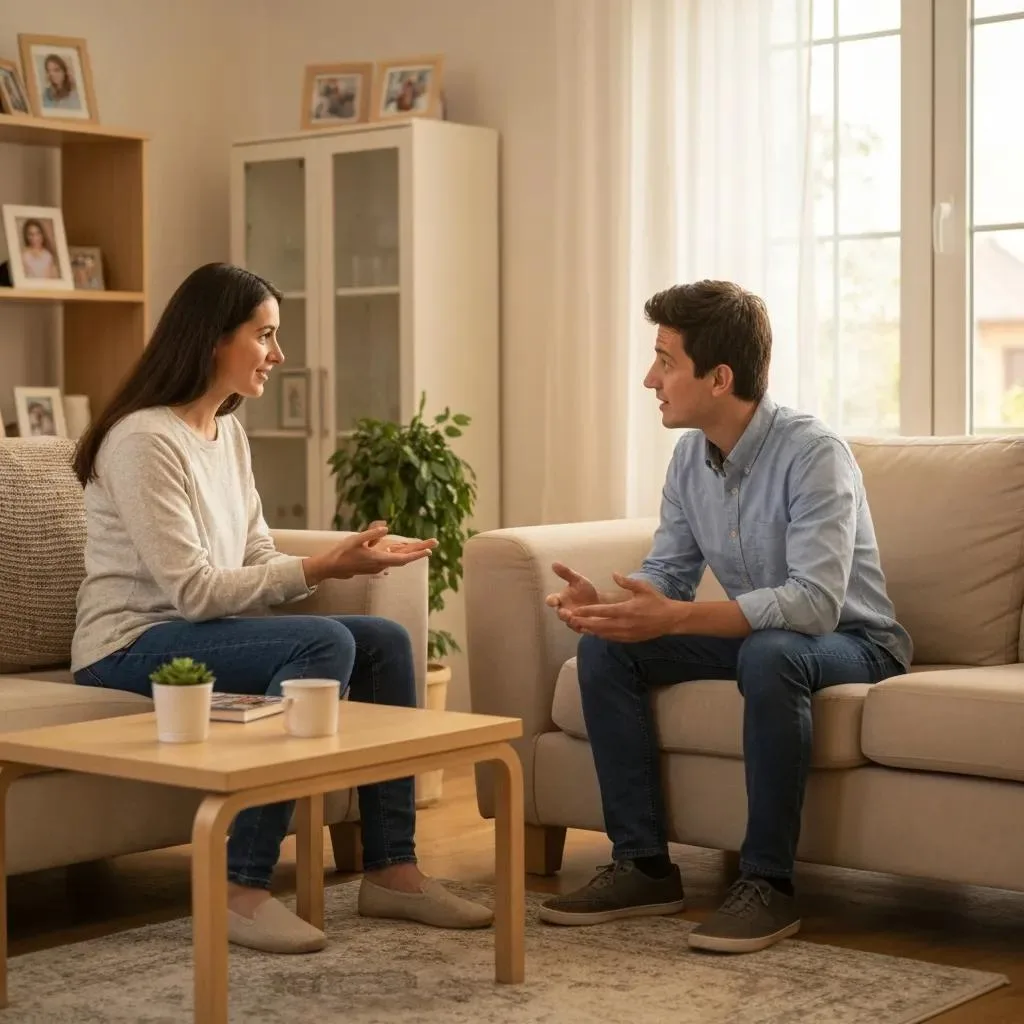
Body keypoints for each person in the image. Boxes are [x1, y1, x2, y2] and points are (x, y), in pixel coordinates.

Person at [70, 262, 493, 954]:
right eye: (265, 336)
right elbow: (195, 590)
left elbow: (258, 555)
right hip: (130, 641)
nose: (279, 354)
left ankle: (393, 868)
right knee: (324, 645)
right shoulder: (145, 440)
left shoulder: (225, 433)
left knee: (381, 639)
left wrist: (342, 563)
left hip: (199, 631)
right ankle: (239, 887)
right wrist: (319, 566)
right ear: (214, 340)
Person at [538, 280, 912, 953]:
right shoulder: (689, 458)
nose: (650, 378)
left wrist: (677, 618)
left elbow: (813, 605)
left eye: (665, 361)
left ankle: (769, 885)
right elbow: (669, 571)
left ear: (719, 378)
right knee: (606, 650)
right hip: (766, 638)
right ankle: (644, 865)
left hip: (853, 641)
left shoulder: (814, 454)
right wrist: (619, 608)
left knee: (769, 653)